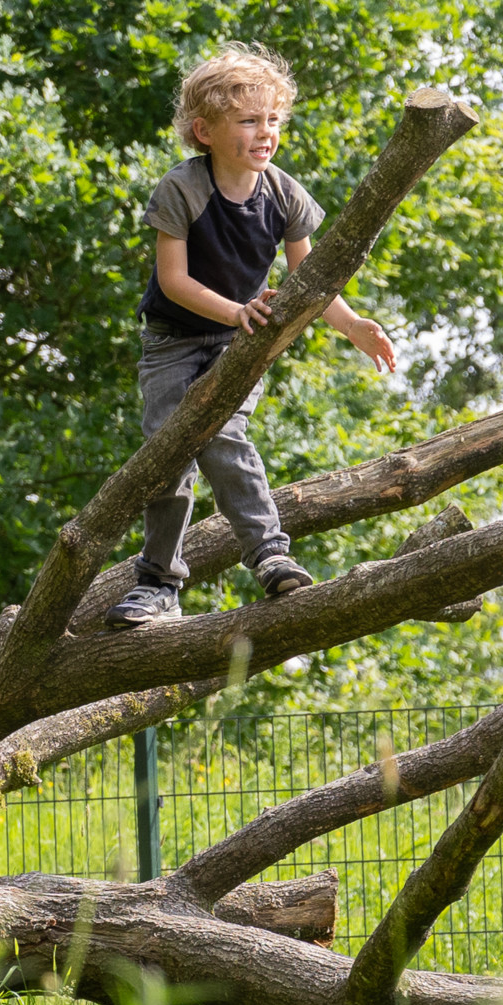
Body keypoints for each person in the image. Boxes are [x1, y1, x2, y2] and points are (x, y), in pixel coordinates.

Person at [104, 44, 398, 631]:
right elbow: (173, 280)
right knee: (168, 453)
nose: (265, 132)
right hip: (173, 343)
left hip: (238, 344)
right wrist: (236, 310)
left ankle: (269, 552)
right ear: (204, 130)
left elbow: (309, 281)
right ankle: (158, 582)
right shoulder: (182, 190)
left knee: (224, 435)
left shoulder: (283, 194)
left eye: (272, 121)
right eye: (248, 121)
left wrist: (352, 326)